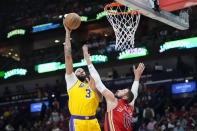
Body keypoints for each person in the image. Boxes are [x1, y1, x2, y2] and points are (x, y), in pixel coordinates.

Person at [83, 45, 145, 131]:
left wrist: (88, 61)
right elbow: (134, 93)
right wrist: (137, 78)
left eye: (123, 91)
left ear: (125, 97)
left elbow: (98, 82)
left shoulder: (113, 101)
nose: (119, 90)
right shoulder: (130, 107)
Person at [63, 21, 102, 131]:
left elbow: (100, 100)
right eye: (77, 70)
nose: (80, 70)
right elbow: (68, 56)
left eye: (82, 70)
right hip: (78, 122)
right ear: (74, 75)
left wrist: (94, 89)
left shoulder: (91, 83)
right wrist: (67, 34)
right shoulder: (72, 81)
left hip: (93, 121)